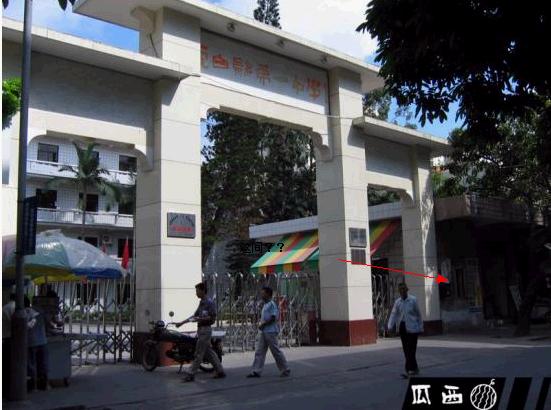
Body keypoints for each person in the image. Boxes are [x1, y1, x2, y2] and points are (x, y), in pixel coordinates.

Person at [175, 282, 226, 382]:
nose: (196, 293)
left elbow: (212, 317)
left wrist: (201, 319)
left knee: (198, 353)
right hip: (201, 330)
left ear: (203, 291)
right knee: (209, 353)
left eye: (197, 291)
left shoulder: (209, 303)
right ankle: (220, 371)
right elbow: (194, 316)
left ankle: (190, 374)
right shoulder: (202, 303)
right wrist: (182, 323)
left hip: (205, 330)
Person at [247, 286, 290, 378]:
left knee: (275, 351)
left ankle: (285, 369)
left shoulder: (272, 304)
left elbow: (273, 317)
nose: (261, 295)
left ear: (268, 294)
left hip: (270, 331)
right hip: (264, 331)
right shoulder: (265, 305)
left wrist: (264, 324)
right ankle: (256, 371)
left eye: (263, 293)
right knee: (259, 351)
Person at [387, 282, 423, 378]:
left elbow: (418, 314)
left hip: (413, 328)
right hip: (403, 327)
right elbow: (394, 314)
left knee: (412, 350)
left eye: (404, 289)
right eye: (400, 290)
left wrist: (420, 327)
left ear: (407, 290)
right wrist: (390, 326)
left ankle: (409, 370)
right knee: (406, 350)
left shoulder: (413, 300)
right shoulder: (398, 302)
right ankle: (413, 369)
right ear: (399, 291)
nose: (402, 291)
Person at [25, 296, 49, 391]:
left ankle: (33, 386)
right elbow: (48, 323)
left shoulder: (25, 312)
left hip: (31, 342)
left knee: (32, 364)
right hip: (42, 341)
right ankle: (45, 385)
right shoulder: (41, 311)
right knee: (43, 364)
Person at [2, 293, 16, 398]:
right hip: (11, 338)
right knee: (11, 364)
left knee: (5, 365)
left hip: (4, 338)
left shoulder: (4, 307)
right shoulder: (14, 307)